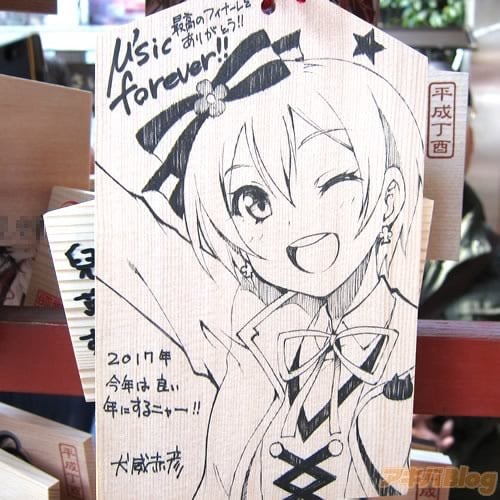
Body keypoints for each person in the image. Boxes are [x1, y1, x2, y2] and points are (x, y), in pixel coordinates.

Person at [100, 29, 425, 498]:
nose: (297, 223)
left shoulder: (401, 342)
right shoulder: (253, 348)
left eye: (331, 178)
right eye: (253, 202)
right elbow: (217, 482)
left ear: (389, 199)